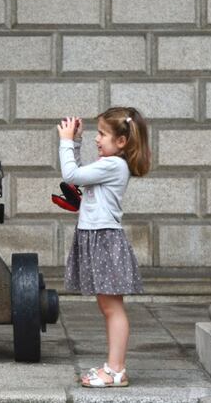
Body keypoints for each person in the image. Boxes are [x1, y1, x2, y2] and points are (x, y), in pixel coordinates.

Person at [56, 107, 150, 388]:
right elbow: (82, 175)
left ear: (121, 142)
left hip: (105, 240)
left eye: (102, 134)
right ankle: (114, 367)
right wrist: (77, 142)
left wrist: (65, 140)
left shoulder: (113, 165)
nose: (98, 139)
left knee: (113, 308)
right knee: (109, 307)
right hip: (99, 238)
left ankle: (116, 370)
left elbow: (72, 174)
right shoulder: (110, 164)